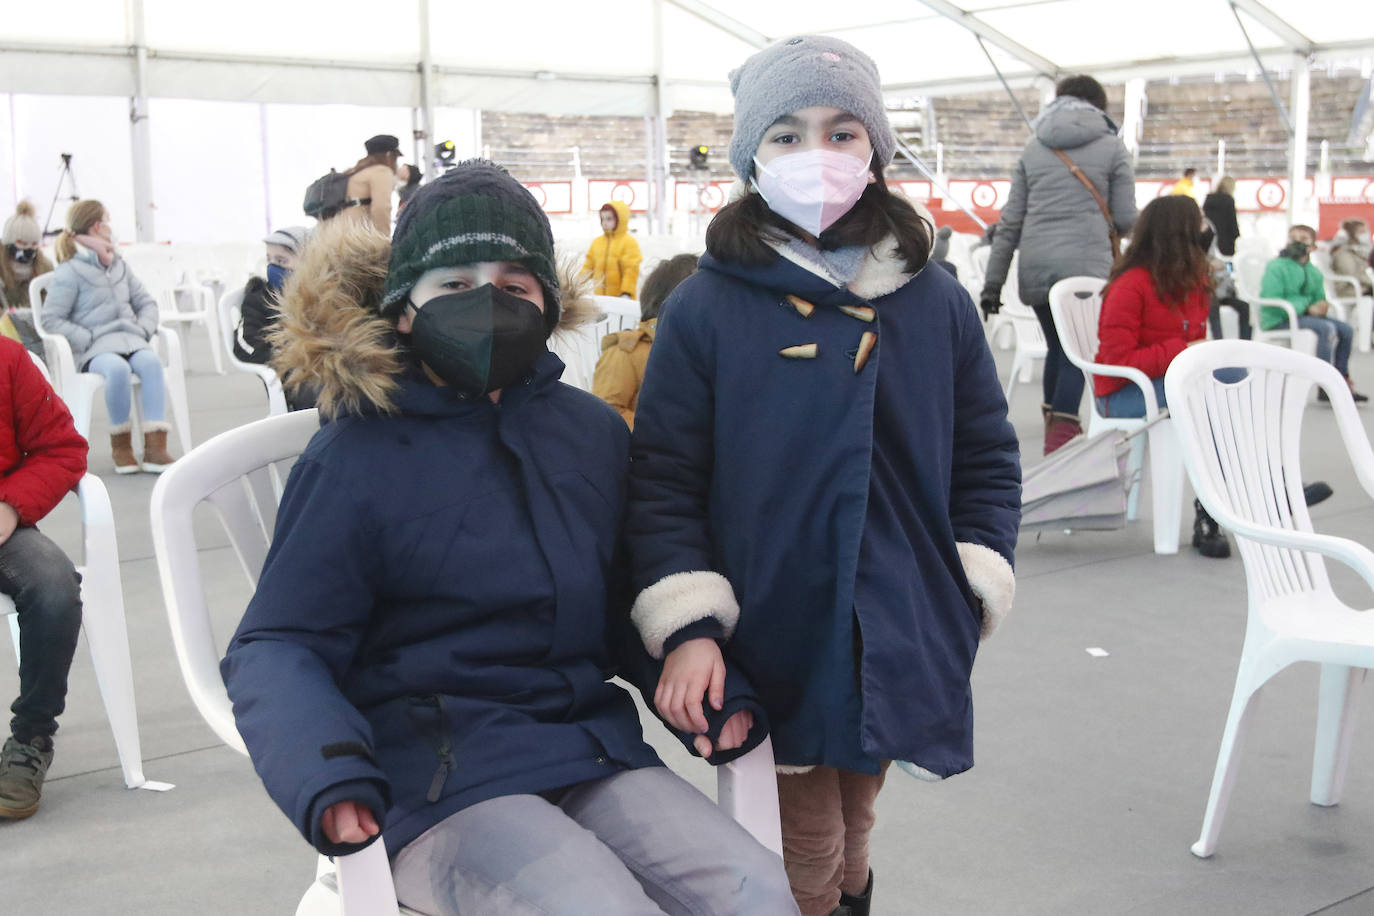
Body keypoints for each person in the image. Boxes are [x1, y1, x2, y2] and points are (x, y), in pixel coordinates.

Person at [221, 161, 798, 916]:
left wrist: (698, 665)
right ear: (404, 310)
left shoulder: (587, 432)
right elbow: (279, 642)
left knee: (754, 892)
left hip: (586, 748)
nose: (487, 303)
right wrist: (324, 771)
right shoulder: (355, 458)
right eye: (454, 285)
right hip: (433, 781)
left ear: (549, 306)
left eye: (515, 284)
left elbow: (624, 593)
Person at [626, 36, 1021, 916]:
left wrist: (970, 580)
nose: (818, 155)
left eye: (843, 133)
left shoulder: (936, 299)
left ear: (876, 149)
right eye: (788, 134)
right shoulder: (706, 306)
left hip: (900, 614)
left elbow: (987, 455)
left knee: (857, 813)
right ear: (751, 158)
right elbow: (663, 477)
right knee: (805, 835)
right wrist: (689, 617)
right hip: (775, 621)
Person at [980, 74, 1137, 454]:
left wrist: (992, 285)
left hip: (1036, 269)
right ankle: (1062, 443)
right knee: (1076, 352)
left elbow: (1010, 223)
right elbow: (1127, 218)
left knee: (1057, 345)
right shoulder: (1113, 147)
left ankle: (1056, 423)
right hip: (1085, 270)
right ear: (1099, 107)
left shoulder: (1034, 149)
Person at [1092, 195, 1233, 557]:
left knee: (1238, 380)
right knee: (1211, 399)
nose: (1207, 231)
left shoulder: (1191, 281)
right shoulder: (1132, 284)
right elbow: (1116, 359)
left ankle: (1251, 491)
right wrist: (1182, 350)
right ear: (1179, 233)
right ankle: (1230, 506)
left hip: (1171, 385)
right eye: (1199, 223)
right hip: (1124, 391)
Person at [0, 336, 87, 819]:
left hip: (3, 521)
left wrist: (11, 507)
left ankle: (31, 736)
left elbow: (62, 449)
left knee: (55, 587)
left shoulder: (8, 361)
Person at [40, 200, 176, 472]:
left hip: (132, 339)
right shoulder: (70, 271)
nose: (111, 227)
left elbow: (146, 303)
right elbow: (51, 319)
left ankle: (155, 448)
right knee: (117, 370)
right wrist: (87, 337)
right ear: (97, 226)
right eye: (108, 220)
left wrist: (143, 329)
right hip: (96, 348)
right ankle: (121, 446)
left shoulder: (119, 266)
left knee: (150, 363)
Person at [1260, 224, 1367, 403]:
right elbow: (1271, 299)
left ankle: (1341, 380)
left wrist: (1321, 306)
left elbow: (1319, 297)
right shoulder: (1276, 266)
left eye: (1303, 239)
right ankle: (1325, 385)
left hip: (1304, 317)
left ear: (1313, 247)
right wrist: (1307, 307)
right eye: (1293, 238)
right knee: (1326, 328)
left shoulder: (1314, 271)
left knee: (1346, 330)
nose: (1296, 243)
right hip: (1280, 318)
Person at [592, 253, 697, 428]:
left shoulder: (704, 350)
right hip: (647, 451)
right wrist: (662, 431)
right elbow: (603, 413)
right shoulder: (626, 353)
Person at [233, 226, 309, 365]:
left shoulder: (318, 296)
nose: (272, 267)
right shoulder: (259, 298)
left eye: (281, 261)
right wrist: (284, 356)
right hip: (289, 374)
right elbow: (245, 345)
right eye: (269, 259)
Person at [343, 134, 403, 234]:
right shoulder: (381, 171)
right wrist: (383, 240)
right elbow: (381, 208)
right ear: (389, 155)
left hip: (336, 236)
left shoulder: (354, 172)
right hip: (357, 236)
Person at [582, 201, 642, 299]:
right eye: (602, 219)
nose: (604, 223)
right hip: (600, 299)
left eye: (609, 219)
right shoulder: (597, 243)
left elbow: (631, 271)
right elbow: (587, 267)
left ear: (620, 219)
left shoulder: (629, 243)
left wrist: (626, 292)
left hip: (621, 299)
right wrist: (576, 283)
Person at [1, 201, 53, 313]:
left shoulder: (45, 267)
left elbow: (52, 300)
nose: (29, 249)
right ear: (8, 243)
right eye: (23, 244)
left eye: (34, 244)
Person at [1201, 176, 1240, 257]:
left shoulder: (1209, 199)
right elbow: (1232, 222)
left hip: (1209, 241)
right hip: (1225, 241)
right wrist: (1236, 235)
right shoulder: (1228, 200)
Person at [1330, 218, 1371, 295]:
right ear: (1351, 235)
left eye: (1366, 231)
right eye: (1362, 232)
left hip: (1364, 287)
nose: (1366, 234)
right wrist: (1371, 281)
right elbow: (1353, 274)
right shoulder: (1343, 254)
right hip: (1350, 290)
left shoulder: (1362, 251)